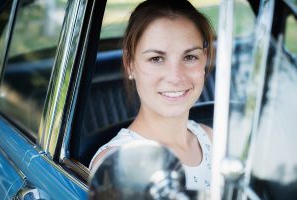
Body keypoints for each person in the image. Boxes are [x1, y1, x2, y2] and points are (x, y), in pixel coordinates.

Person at [90, 0, 215, 190]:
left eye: (190, 57)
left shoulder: (209, 138)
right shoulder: (117, 164)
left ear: (204, 59)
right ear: (129, 64)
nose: (175, 77)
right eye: (156, 59)